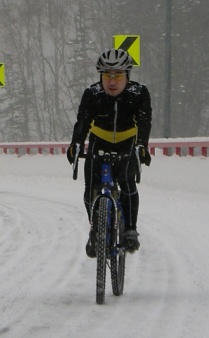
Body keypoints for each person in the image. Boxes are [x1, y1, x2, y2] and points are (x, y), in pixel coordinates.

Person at [67, 48, 152, 257]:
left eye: (118, 76)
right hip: (99, 143)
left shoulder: (138, 94)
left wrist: (142, 146)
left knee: (127, 184)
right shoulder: (92, 94)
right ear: (100, 77)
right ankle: (96, 229)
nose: (112, 81)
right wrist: (75, 144)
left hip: (127, 144)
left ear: (127, 76)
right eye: (107, 76)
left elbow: (144, 122)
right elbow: (83, 122)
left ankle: (130, 229)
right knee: (91, 188)